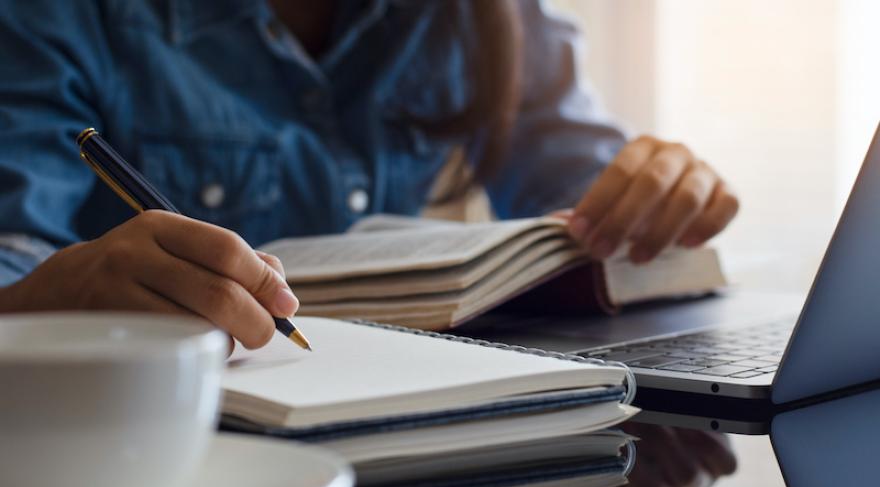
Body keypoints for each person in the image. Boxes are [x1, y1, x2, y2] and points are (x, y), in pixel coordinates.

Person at [0, 0, 738, 348]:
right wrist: (45, 296)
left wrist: (653, 192)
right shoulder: (61, 18)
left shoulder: (482, 17)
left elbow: (581, 189)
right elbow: (13, 253)